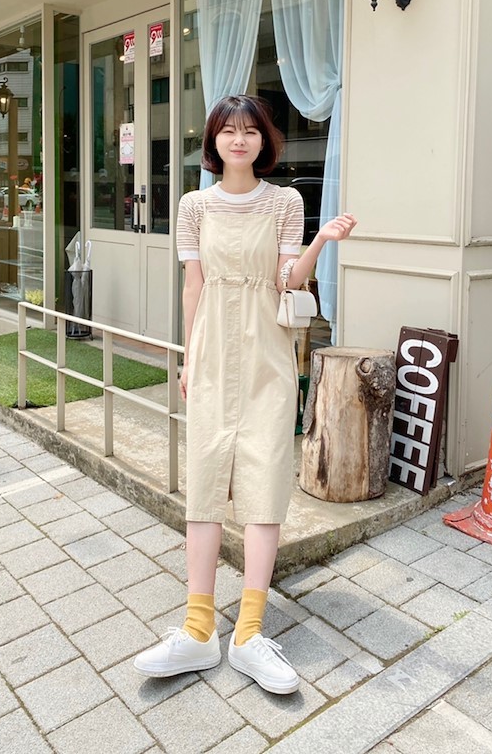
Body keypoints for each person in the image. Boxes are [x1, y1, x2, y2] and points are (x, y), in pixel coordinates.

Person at [134, 95, 357, 694]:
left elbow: (289, 279)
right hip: (211, 351)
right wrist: (187, 357)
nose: (240, 140)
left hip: (267, 354)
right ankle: (198, 630)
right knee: (205, 483)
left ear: (264, 141)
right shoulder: (194, 205)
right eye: (229, 131)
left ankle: (250, 633)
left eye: (250, 131)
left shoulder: (285, 201)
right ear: (214, 140)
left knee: (264, 482)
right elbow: (193, 285)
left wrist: (321, 240)